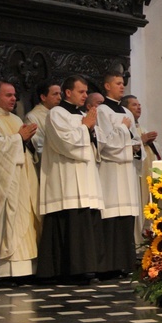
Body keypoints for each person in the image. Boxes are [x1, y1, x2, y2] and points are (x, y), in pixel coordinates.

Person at [37, 75, 104, 283]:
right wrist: (86, 127)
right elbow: (65, 144)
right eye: (81, 92)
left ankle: (87, 268)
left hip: (86, 178)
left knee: (85, 221)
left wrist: (90, 129)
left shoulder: (84, 114)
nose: (85, 95)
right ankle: (67, 270)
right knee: (70, 222)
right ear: (68, 92)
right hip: (65, 178)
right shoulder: (56, 114)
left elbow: (96, 145)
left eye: (86, 92)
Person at [0, 81, 39, 283]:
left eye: (14, 95)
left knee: (23, 220)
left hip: (20, 178)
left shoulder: (14, 118)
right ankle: (1, 272)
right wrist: (18, 139)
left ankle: (22, 271)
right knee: (6, 221)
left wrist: (25, 140)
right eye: (8, 95)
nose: (14, 99)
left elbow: (19, 144)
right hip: (2, 180)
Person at [96, 71, 140, 276]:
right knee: (112, 217)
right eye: (118, 83)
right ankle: (108, 266)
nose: (122, 87)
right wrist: (123, 131)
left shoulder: (126, 111)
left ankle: (125, 263)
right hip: (111, 170)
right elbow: (105, 143)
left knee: (126, 217)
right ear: (107, 86)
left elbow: (135, 140)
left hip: (127, 169)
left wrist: (135, 146)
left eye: (123, 84)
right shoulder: (101, 111)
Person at [121, 94, 161, 245]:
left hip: (147, 175)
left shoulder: (141, 128)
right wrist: (142, 140)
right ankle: (137, 240)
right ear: (125, 108)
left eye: (139, 105)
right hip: (136, 175)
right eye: (134, 105)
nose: (138, 107)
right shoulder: (125, 128)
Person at [24, 81, 62, 171]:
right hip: (49, 164)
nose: (59, 98)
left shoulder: (60, 113)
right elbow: (37, 145)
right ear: (43, 97)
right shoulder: (32, 117)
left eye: (60, 94)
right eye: (55, 94)